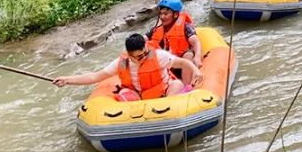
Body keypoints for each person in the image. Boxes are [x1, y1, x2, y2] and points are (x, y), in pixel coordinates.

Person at [53, 33, 200, 101]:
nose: (142, 58)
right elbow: (95, 77)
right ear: (129, 55)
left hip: (162, 93)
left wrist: (196, 71)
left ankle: (173, 108)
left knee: (177, 83)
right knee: (124, 94)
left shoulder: (158, 55)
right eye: (138, 57)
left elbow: (183, 63)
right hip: (138, 97)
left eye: (144, 54)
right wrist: (67, 79)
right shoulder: (122, 63)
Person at [147, 0, 202, 73]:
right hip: (167, 61)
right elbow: (145, 39)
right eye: (161, 14)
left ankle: (187, 84)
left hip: (182, 60)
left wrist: (197, 57)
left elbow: (195, 42)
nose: (162, 17)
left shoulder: (185, 27)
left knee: (188, 55)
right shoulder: (157, 28)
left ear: (175, 14)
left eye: (166, 14)